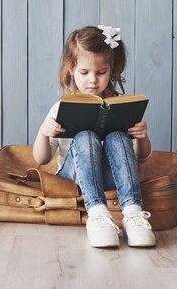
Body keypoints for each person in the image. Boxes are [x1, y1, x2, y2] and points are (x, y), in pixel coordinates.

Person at [33, 25, 155, 248]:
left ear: (111, 70)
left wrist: (142, 137)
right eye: (84, 72)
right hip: (75, 177)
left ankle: (133, 214)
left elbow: (142, 156)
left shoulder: (119, 105)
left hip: (112, 176)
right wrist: (43, 131)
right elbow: (41, 159)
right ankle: (98, 215)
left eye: (101, 72)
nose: (93, 80)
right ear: (71, 69)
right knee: (86, 137)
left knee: (118, 137)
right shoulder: (61, 107)